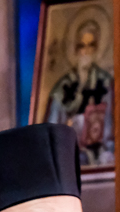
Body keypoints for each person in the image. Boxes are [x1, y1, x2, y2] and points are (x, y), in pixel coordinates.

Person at [45, 17, 115, 166]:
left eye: (91, 46)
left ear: (97, 49)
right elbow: (52, 129)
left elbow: (111, 124)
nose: (86, 52)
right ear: (76, 50)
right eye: (82, 46)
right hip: (70, 151)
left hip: (100, 153)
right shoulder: (63, 86)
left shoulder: (105, 82)